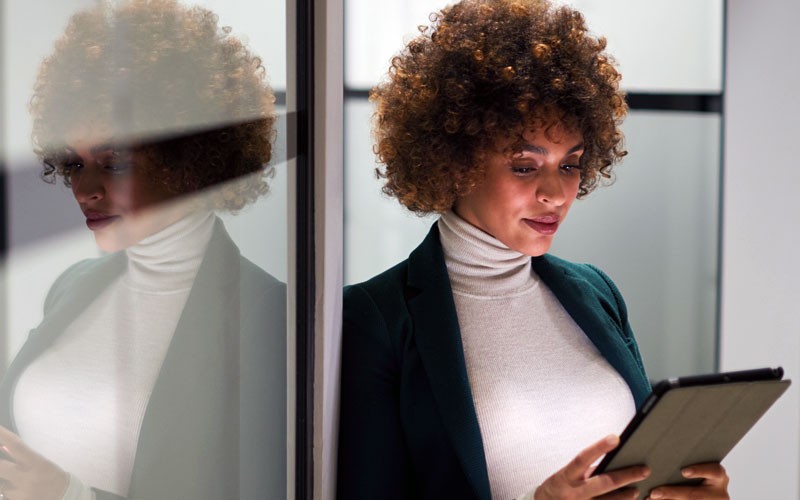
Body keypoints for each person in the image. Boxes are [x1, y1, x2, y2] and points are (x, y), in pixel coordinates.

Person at [338, 1, 730, 499]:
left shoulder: (596, 291)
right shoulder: (374, 320)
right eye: (525, 166)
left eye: (570, 165)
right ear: (455, 161)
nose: (557, 194)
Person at [0, 1, 286, 499]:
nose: (83, 190)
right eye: (74, 164)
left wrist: (68, 494)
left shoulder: (266, 319)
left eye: (114, 163)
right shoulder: (74, 286)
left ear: (190, 160)